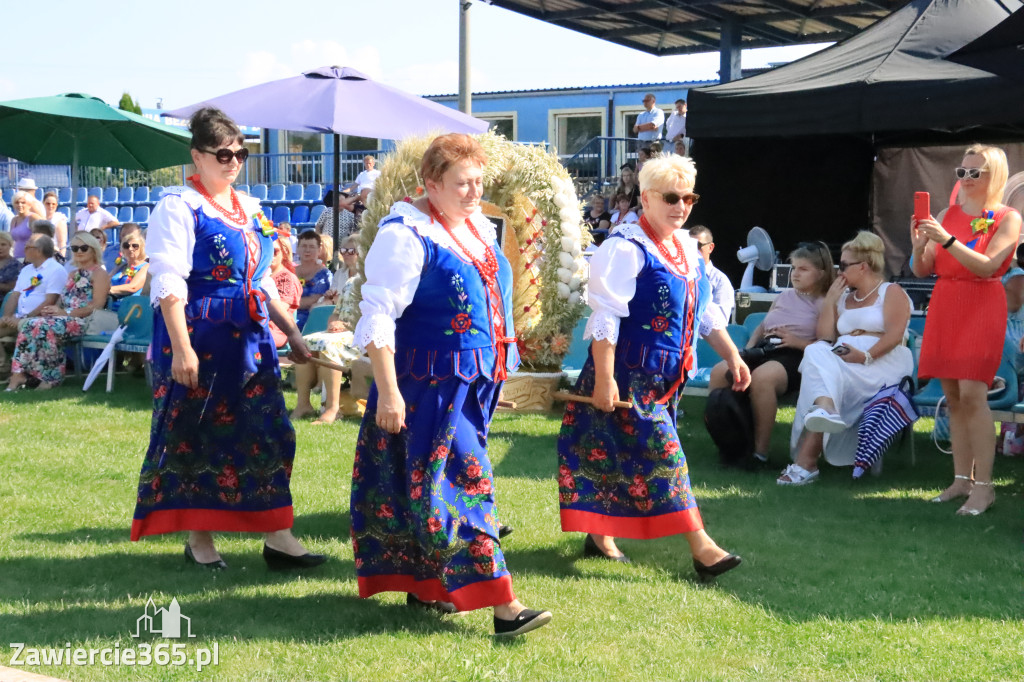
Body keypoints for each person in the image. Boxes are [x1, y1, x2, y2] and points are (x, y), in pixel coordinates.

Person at [351, 133, 552, 637]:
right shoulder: (405, 234)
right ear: (431, 183)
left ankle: (424, 586)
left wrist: (489, 376)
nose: (472, 192)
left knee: (428, 485)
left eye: (478, 182)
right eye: (462, 183)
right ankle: (504, 605)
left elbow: (485, 309)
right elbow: (378, 317)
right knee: (467, 485)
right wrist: (390, 392)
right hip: (425, 385)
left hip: (469, 383)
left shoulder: (474, 228)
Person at [130, 107, 324, 572]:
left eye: (241, 152)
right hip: (201, 332)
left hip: (251, 339)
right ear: (198, 156)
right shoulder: (178, 206)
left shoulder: (250, 209)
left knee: (269, 431)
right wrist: (181, 348)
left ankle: (278, 535)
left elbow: (260, 282)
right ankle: (200, 539)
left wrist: (293, 332)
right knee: (199, 432)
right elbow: (168, 284)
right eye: (223, 153)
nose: (233, 160)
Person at [556, 153, 748, 580]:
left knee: (618, 458)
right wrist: (605, 381)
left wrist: (732, 354)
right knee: (665, 458)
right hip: (627, 374)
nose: (681, 206)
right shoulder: (624, 247)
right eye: (671, 197)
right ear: (645, 198)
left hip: (667, 377)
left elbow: (702, 313)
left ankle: (599, 533)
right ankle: (704, 549)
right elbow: (605, 319)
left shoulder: (685, 247)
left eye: (689, 197)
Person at [911, 144, 1022, 515]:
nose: (968, 179)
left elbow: (988, 266)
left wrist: (946, 239)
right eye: (963, 172)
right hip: (945, 303)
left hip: (981, 304)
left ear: (996, 176)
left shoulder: (1008, 217)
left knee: (974, 393)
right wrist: (918, 248)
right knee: (954, 397)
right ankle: (961, 480)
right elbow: (922, 270)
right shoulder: (947, 213)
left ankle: (985, 486)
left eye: (976, 172)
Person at [779, 231, 913, 485]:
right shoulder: (844, 298)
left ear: (863, 267)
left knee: (822, 372)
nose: (839, 271)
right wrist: (830, 301)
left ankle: (806, 461)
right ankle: (825, 409)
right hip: (843, 361)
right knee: (816, 351)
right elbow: (826, 336)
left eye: (844, 265)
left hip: (882, 363)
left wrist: (865, 355)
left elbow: (895, 335)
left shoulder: (890, 292)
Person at [708, 242, 835, 463]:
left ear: (821, 273)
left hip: (798, 356)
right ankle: (728, 443)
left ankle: (759, 452)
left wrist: (796, 341)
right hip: (766, 349)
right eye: (794, 268)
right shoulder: (785, 296)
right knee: (720, 371)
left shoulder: (825, 303)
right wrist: (746, 351)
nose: (795, 274)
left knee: (763, 378)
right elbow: (762, 327)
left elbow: (828, 345)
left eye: (803, 269)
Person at [8, 232, 110, 390]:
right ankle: (19, 373)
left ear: (94, 249)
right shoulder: (72, 274)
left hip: (84, 321)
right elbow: (63, 301)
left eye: (84, 247)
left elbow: (96, 305)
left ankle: (49, 378)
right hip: (63, 319)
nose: (79, 251)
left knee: (43, 327)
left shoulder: (99, 274)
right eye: (75, 248)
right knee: (30, 324)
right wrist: (53, 309)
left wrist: (66, 313)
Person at [0, 234, 68, 341]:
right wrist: (7, 317)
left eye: (27, 247)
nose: (24, 250)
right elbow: (14, 295)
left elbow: (50, 301)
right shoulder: (27, 270)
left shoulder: (55, 270)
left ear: (39, 251)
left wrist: (25, 319)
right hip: (21, 317)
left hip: (39, 320)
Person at [996, 244, 1024, 456]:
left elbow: (1011, 306)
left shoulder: (1015, 277)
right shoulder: (1015, 278)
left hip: (1009, 344)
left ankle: (1011, 436)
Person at [689, 225, 735, 322]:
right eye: (688, 245)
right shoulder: (678, 275)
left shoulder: (720, 280)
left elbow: (720, 321)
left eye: (698, 246)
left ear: (710, 247)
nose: (692, 250)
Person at [268, 228, 301, 349]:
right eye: (266, 250)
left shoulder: (287, 278)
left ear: (284, 253)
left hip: (276, 330)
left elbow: (279, 311)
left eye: (275, 251)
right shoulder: (259, 275)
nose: (270, 254)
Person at [294, 230, 332, 330]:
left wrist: (291, 303)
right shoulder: (290, 273)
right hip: (290, 317)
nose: (307, 250)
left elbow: (320, 299)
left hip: (313, 320)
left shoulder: (325, 275)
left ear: (319, 250)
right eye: (304, 246)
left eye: (312, 247)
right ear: (297, 249)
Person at [108, 229, 149, 310]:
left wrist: (108, 290)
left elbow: (133, 287)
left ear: (142, 248)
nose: (130, 249)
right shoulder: (120, 267)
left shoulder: (145, 267)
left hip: (131, 310)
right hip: (111, 308)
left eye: (135, 246)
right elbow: (106, 282)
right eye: (126, 246)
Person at [10, 192, 41, 259]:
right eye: (17, 202)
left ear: (29, 205)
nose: (20, 205)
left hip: (30, 259)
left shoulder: (33, 218)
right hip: (16, 258)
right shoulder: (14, 220)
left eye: (23, 203)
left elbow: (41, 238)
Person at [42, 192, 68, 257]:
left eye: (53, 204)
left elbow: (62, 243)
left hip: (53, 255)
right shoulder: (39, 217)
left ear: (56, 205)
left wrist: (61, 258)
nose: (51, 206)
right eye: (48, 204)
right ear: (43, 203)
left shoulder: (59, 220)